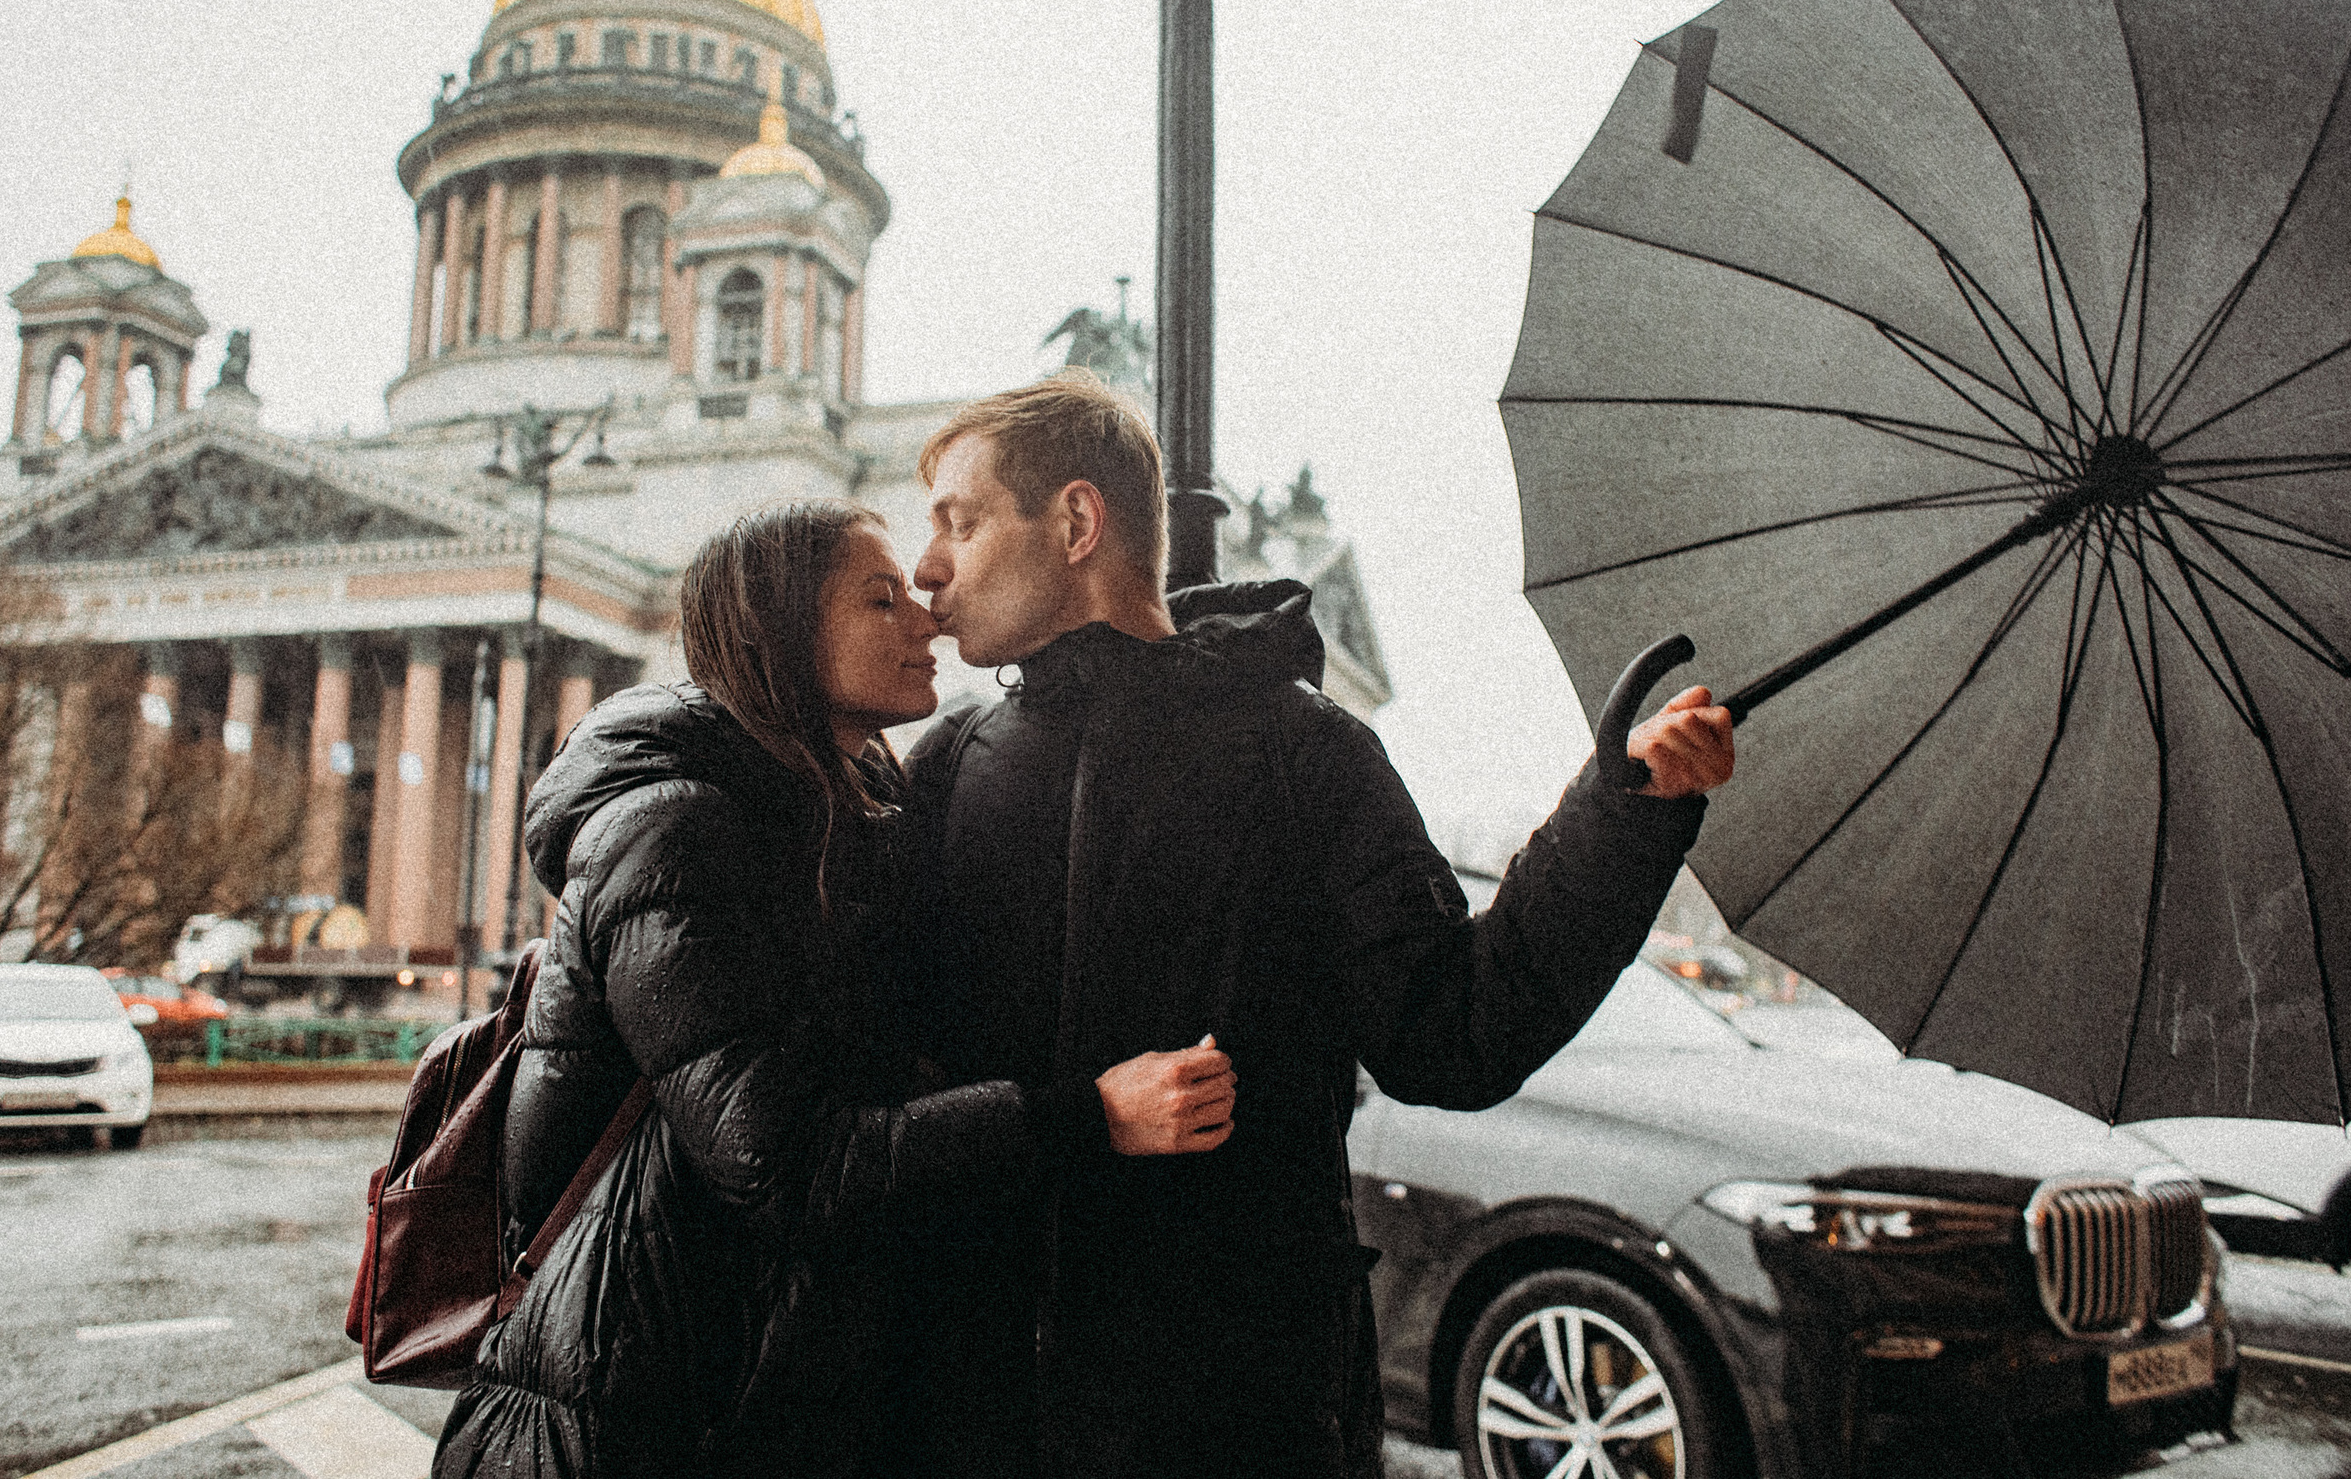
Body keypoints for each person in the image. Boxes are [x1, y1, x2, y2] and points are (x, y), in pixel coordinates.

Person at [895, 370, 1736, 1479]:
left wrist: (1621, 821)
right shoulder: (946, 765)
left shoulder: (1301, 753)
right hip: (984, 1409)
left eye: (960, 521)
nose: (927, 568)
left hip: (1232, 1415)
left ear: (1076, 522)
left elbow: (1454, 1032)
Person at [432, 501, 1239, 1479]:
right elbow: (784, 1167)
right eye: (879, 599)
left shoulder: (849, 812)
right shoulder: (672, 833)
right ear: (779, 631)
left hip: (761, 1389)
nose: (927, 619)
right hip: (648, 1410)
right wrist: (1088, 1115)